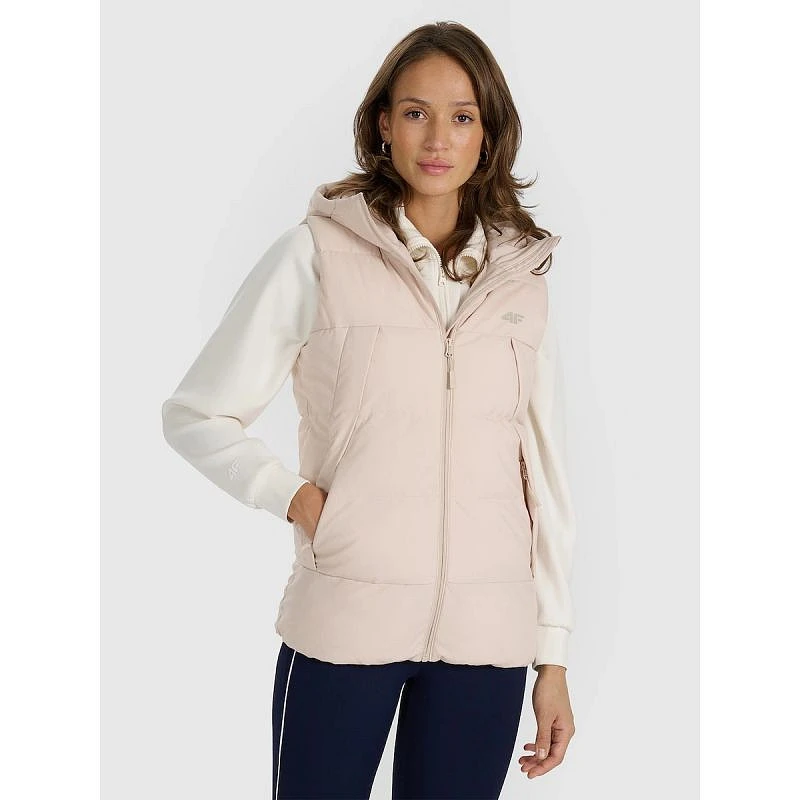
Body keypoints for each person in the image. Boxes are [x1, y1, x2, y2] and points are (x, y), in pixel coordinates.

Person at [162, 20, 577, 800]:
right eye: (416, 112)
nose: (438, 138)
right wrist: (297, 498)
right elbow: (196, 413)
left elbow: (544, 477)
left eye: (462, 117)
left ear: (488, 136)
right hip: (345, 619)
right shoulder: (316, 254)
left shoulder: (521, 281)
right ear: (383, 123)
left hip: (487, 639)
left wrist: (551, 654)